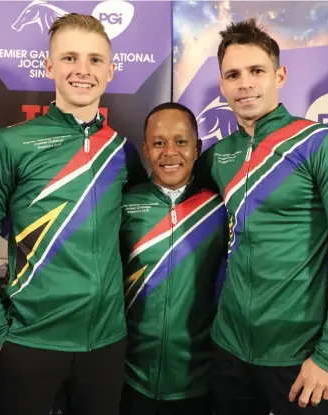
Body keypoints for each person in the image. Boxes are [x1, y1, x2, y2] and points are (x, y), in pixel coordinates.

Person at [195, 18, 328, 414]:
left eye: (256, 71)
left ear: (279, 74)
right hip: (228, 352)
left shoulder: (322, 145)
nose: (245, 84)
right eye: (233, 74)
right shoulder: (217, 157)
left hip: (298, 358)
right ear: (223, 84)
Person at [0, 13, 147, 415]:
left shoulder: (123, 151)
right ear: (49, 67)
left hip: (106, 345)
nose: (82, 70)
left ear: (111, 71)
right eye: (69, 58)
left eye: (95, 60)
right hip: (29, 343)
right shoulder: (8, 145)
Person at [119, 102, 228, 415]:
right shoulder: (125, 203)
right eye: (158, 143)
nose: (169, 152)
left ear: (198, 148)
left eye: (181, 142)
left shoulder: (219, 207)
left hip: (197, 381)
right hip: (130, 378)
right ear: (145, 149)